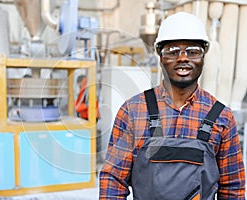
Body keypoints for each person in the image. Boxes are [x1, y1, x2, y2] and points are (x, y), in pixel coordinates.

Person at [99, 12, 245, 199]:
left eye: (193, 51)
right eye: (173, 51)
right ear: (160, 57)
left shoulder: (222, 117)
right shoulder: (133, 112)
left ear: (203, 58)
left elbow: (233, 188)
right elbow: (113, 180)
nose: (183, 58)